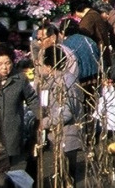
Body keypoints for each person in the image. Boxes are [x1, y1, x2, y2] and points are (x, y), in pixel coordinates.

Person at [36, 46, 83, 184]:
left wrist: (44, 123)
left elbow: (65, 114)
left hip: (66, 137)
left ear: (49, 66)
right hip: (65, 137)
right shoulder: (68, 78)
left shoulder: (62, 83)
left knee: (66, 177)